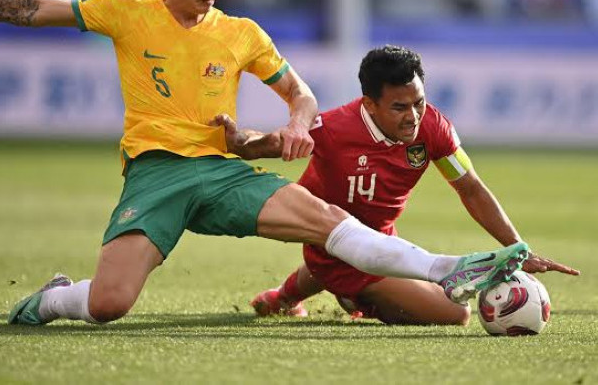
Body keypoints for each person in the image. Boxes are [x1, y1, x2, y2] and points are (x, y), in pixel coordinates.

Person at [0, 0, 530, 327]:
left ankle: (445, 268)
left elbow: (301, 93)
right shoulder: (125, 11)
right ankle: (53, 298)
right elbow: (33, 9)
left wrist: (295, 122)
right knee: (109, 304)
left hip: (223, 173)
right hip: (158, 175)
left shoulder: (241, 31)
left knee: (328, 219)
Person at [224, 46, 579, 324]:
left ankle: (283, 297)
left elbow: (470, 186)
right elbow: (273, 141)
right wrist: (241, 140)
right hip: (333, 247)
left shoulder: (434, 128)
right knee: (456, 314)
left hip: (383, 242)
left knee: (407, 268)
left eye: (419, 103)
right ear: (370, 104)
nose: (413, 116)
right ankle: (355, 298)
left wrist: (518, 247)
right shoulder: (334, 129)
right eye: (399, 107)